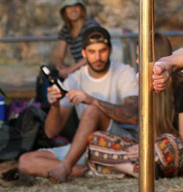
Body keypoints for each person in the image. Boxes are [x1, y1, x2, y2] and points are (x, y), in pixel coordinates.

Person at [18, 26, 138, 183]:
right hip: (88, 147)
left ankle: (66, 167)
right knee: (26, 161)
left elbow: (133, 116)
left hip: (123, 143)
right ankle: (91, 171)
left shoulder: (124, 72)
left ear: (110, 49)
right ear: (83, 53)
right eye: (92, 52)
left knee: (92, 110)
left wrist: (92, 100)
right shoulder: (75, 79)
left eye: (102, 51)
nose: (98, 57)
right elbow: (51, 132)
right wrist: (54, 105)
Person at [86, 34, 183, 178]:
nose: (137, 61)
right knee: (95, 140)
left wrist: (146, 149)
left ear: (154, 57)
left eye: (140, 56)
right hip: (153, 149)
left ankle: (124, 168)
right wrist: (142, 148)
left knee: (171, 145)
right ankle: (138, 169)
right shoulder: (148, 84)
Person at [54, 0, 100, 78]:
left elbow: (94, 55)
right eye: (69, 7)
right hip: (80, 71)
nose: (73, 10)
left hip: (95, 69)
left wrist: (70, 70)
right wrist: (59, 66)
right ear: (64, 12)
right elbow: (59, 55)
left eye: (76, 6)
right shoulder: (66, 29)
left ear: (82, 9)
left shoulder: (91, 26)